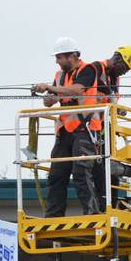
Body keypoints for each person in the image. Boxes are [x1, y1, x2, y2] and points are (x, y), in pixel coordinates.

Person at [31, 37, 102, 218]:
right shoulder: (59, 76)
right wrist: (45, 93)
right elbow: (49, 103)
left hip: (86, 129)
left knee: (81, 171)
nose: (57, 61)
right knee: (56, 174)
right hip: (65, 131)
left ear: (71, 56)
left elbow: (77, 90)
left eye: (59, 57)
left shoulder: (88, 69)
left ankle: (91, 214)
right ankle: (53, 216)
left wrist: (50, 88)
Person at [90, 46, 131, 212]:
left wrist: (119, 109)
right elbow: (98, 91)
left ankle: (112, 203)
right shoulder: (96, 69)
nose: (123, 73)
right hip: (91, 126)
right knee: (99, 169)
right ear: (117, 58)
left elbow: (110, 100)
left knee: (112, 169)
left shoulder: (115, 79)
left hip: (105, 127)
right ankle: (101, 207)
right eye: (124, 68)